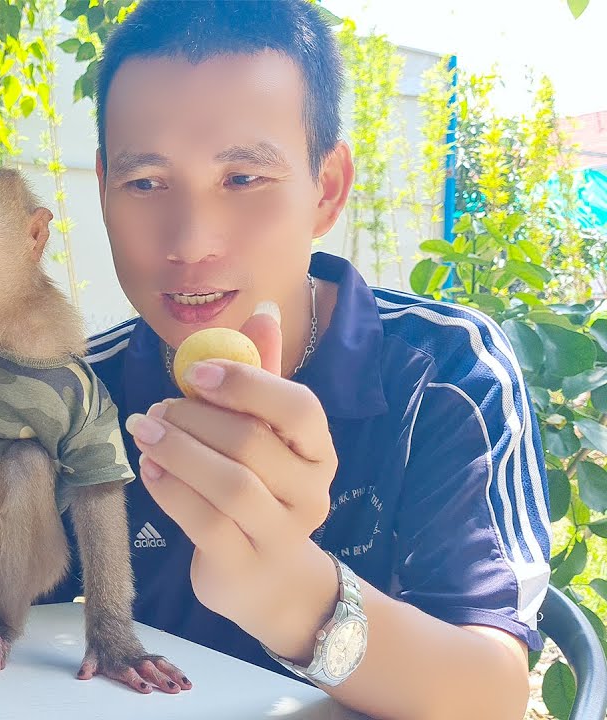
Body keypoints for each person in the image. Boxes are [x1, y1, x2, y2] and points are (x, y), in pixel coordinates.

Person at [42, 2, 551, 718]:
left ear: (328, 189)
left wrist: (299, 601)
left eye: (244, 179)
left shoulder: (442, 373)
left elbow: (490, 695)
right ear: (102, 188)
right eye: (146, 183)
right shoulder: (73, 392)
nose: (190, 243)